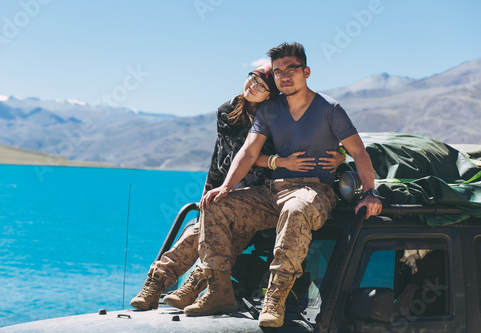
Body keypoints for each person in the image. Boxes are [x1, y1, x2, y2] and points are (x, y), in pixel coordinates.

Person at [184, 42, 382, 328]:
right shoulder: (270, 110)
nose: (285, 76)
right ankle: (218, 292)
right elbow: (249, 152)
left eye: (292, 69)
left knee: (295, 209)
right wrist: (226, 187)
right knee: (216, 206)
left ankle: (275, 298)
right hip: (274, 192)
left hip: (316, 191)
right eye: (278, 72)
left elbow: (359, 151)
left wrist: (370, 192)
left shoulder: (330, 109)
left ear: (307, 71)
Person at [129, 62, 345, 311]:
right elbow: (221, 156)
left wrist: (338, 157)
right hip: (227, 186)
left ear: (271, 94)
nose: (252, 86)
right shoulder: (228, 110)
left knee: (224, 235)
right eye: (252, 79)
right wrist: (208, 192)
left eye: (261, 86)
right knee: (198, 230)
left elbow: (261, 154)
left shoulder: (277, 118)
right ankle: (156, 283)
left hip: (260, 191)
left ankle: (196, 283)